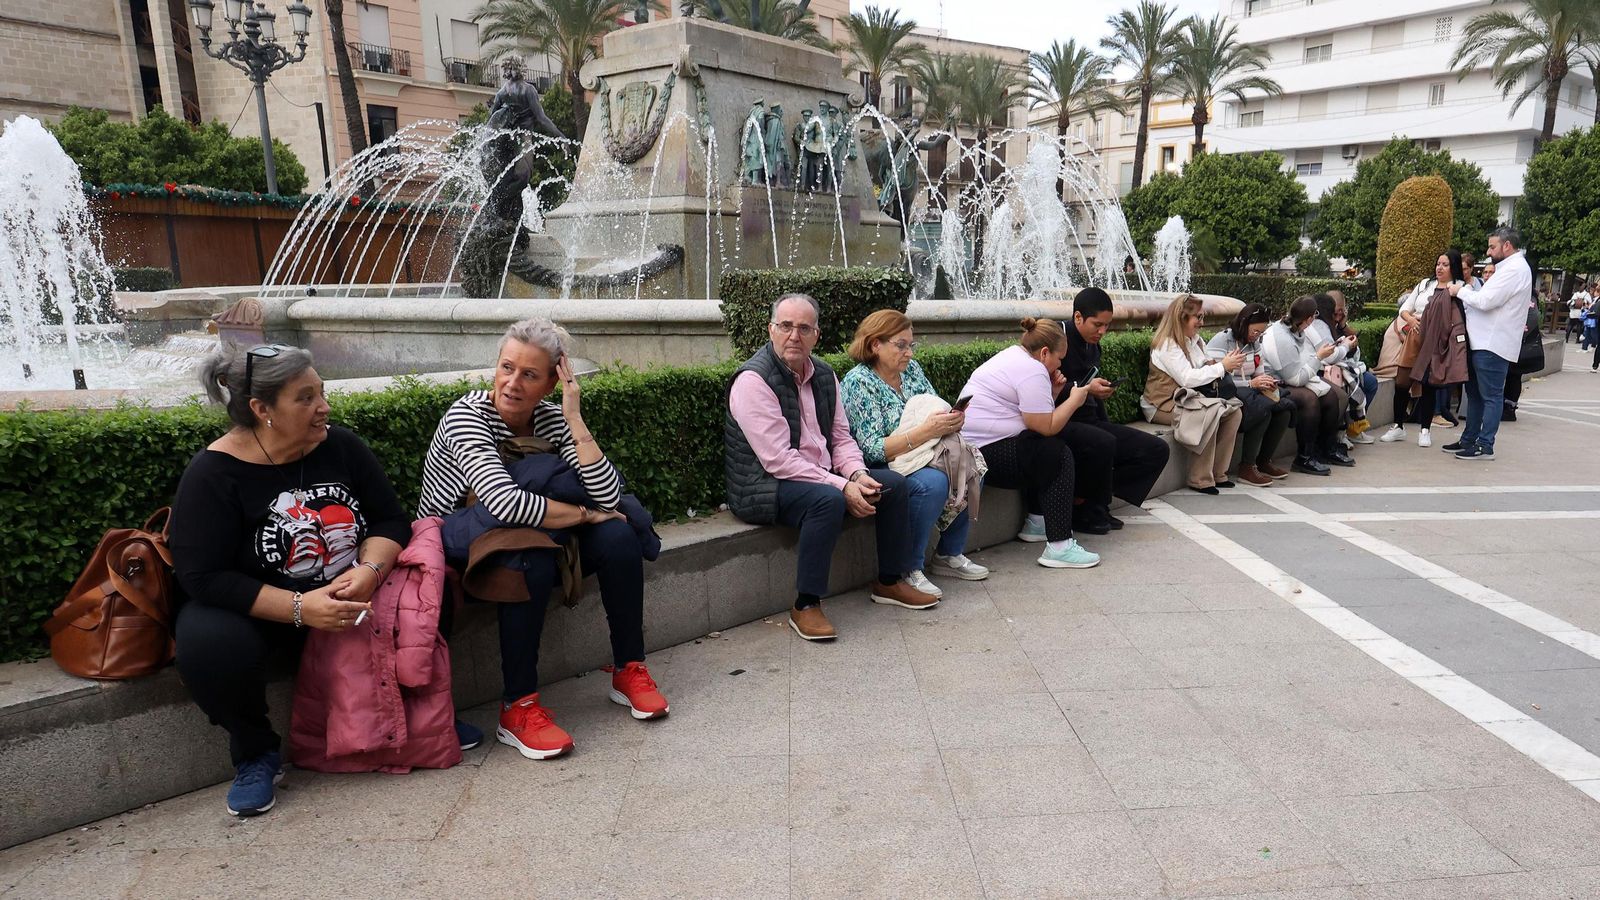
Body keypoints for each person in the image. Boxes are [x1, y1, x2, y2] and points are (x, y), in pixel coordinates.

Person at [170, 343, 413, 816]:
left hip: (353, 594)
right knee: (207, 641)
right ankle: (256, 753)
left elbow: (390, 520)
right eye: (305, 398)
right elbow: (203, 577)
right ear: (262, 409)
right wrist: (301, 608)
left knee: (425, 592)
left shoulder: (341, 446)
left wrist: (369, 571)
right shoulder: (212, 474)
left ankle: (418, 721)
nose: (324, 407)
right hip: (265, 612)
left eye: (321, 392)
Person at [418, 318, 668, 761]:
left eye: (529, 374)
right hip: (459, 544)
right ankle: (517, 708)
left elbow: (609, 494)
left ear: (553, 382)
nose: (512, 383)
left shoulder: (553, 419)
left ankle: (629, 668)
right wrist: (586, 514)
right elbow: (502, 504)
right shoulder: (467, 416)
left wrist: (574, 417)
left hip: (526, 533)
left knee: (618, 535)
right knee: (531, 558)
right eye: (507, 367)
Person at [726, 294, 937, 643]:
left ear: (816, 335)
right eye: (786, 326)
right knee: (827, 500)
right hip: (763, 484)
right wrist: (840, 486)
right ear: (771, 330)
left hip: (819, 473)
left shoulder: (824, 374)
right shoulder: (753, 380)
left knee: (893, 485)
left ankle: (889, 581)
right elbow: (777, 459)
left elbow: (840, 437)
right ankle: (806, 604)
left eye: (804, 328)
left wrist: (857, 475)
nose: (794, 336)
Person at [839, 309, 990, 597]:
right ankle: (909, 567)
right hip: (881, 464)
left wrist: (950, 420)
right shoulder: (858, 382)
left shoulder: (912, 370)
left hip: (924, 453)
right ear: (875, 345)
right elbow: (872, 448)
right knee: (932, 484)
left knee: (971, 467)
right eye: (901, 345)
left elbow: (933, 407)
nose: (909, 353)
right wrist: (927, 431)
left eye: (911, 345)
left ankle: (948, 553)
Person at [959, 318, 1101, 569]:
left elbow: (1035, 420)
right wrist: (1075, 399)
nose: (1060, 365)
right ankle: (1059, 547)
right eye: (1059, 358)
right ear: (1045, 352)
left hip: (978, 446)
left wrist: (1054, 393)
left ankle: (1037, 523)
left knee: (1044, 448)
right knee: (1058, 456)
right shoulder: (1032, 369)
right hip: (979, 454)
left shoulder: (1015, 356)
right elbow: (1046, 426)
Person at [1056, 287, 1171, 532]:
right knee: (1103, 441)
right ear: (1078, 317)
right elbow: (1041, 386)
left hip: (1090, 421)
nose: (1102, 331)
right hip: (1059, 420)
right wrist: (1084, 388)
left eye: (1106, 326)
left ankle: (1092, 499)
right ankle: (1086, 507)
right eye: (1097, 325)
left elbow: (1089, 386)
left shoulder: (1093, 345)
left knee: (1156, 450)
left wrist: (1100, 398)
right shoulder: (1056, 337)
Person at [1141, 294, 1245, 494]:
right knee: (1210, 413)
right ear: (1182, 318)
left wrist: (1223, 364)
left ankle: (1218, 473)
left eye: (1203, 317)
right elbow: (1187, 378)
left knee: (1234, 412)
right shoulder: (1167, 345)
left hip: (1190, 399)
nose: (1202, 323)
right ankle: (1200, 479)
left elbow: (1205, 368)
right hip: (1162, 404)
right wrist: (1222, 367)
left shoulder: (1195, 341)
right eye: (1198, 317)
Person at [1446, 226, 1534, 460]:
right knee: (1475, 395)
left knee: (1491, 396)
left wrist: (1460, 291)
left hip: (1492, 344)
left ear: (1507, 246)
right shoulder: (1510, 268)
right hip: (1484, 342)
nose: (1488, 252)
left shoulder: (1514, 269)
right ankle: (1469, 439)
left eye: (1492, 247)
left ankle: (1485, 445)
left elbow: (1485, 301)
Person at [1261, 295, 1353, 474]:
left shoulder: (1296, 329)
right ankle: (1304, 457)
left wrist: (1318, 358)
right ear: (1310, 318)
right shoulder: (1282, 336)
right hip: (1272, 382)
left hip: (1289, 377)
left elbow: (1299, 368)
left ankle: (1326, 449)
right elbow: (1296, 379)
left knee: (1331, 396)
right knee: (1309, 399)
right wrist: (1319, 357)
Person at [1205, 303, 1294, 485]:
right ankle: (1247, 466)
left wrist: (1266, 382)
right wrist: (1250, 384)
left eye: (1261, 333)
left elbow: (1258, 372)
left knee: (1283, 410)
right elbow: (1217, 379)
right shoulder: (1222, 340)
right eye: (1255, 331)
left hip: (1249, 392)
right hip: (1226, 393)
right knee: (1263, 409)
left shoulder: (1255, 344)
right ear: (1243, 323)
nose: (1257, 336)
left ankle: (1264, 461)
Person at [1403, 250, 1470, 448]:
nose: (1439, 268)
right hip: (1424, 341)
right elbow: (1405, 309)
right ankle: (1419, 428)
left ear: (1453, 267)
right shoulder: (1427, 285)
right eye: (1438, 264)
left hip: (1446, 345)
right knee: (1422, 385)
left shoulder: (1460, 289)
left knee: (1435, 385)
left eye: (1445, 265)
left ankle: (1427, 429)